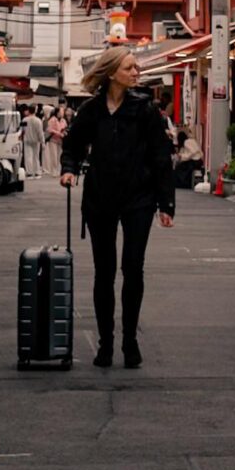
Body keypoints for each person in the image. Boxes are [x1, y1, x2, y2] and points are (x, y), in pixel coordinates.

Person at [60, 47, 174, 368]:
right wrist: (68, 168)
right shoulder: (91, 110)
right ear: (112, 73)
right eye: (130, 67)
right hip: (100, 198)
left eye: (136, 67)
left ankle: (130, 341)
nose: (136, 72)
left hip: (139, 198)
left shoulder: (145, 110)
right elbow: (73, 144)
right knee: (104, 272)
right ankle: (106, 342)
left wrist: (166, 203)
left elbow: (160, 156)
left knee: (133, 269)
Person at [42, 103, 67, 176]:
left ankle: (59, 171)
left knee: (59, 156)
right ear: (57, 112)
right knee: (54, 156)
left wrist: (64, 133)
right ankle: (54, 171)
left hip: (60, 141)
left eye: (63, 112)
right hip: (53, 140)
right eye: (61, 112)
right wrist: (58, 133)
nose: (62, 113)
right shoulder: (52, 120)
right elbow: (49, 129)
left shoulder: (63, 120)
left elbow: (65, 128)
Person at [22, 105, 44, 178]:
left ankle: (29, 172)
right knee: (36, 157)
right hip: (36, 140)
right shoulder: (38, 120)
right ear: (35, 110)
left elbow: (22, 130)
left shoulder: (24, 120)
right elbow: (40, 132)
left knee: (28, 156)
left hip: (27, 140)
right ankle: (37, 171)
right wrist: (42, 142)